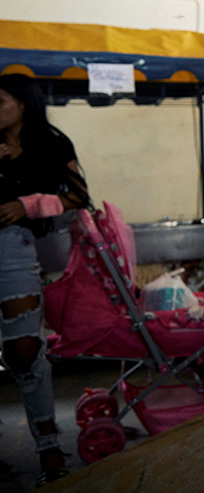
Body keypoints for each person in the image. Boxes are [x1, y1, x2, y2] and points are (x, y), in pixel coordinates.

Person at [0, 73, 89, 486]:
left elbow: (77, 195)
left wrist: (28, 205)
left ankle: (49, 448)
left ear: (23, 102)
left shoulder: (51, 143)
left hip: (12, 245)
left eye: (1, 101)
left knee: (23, 348)